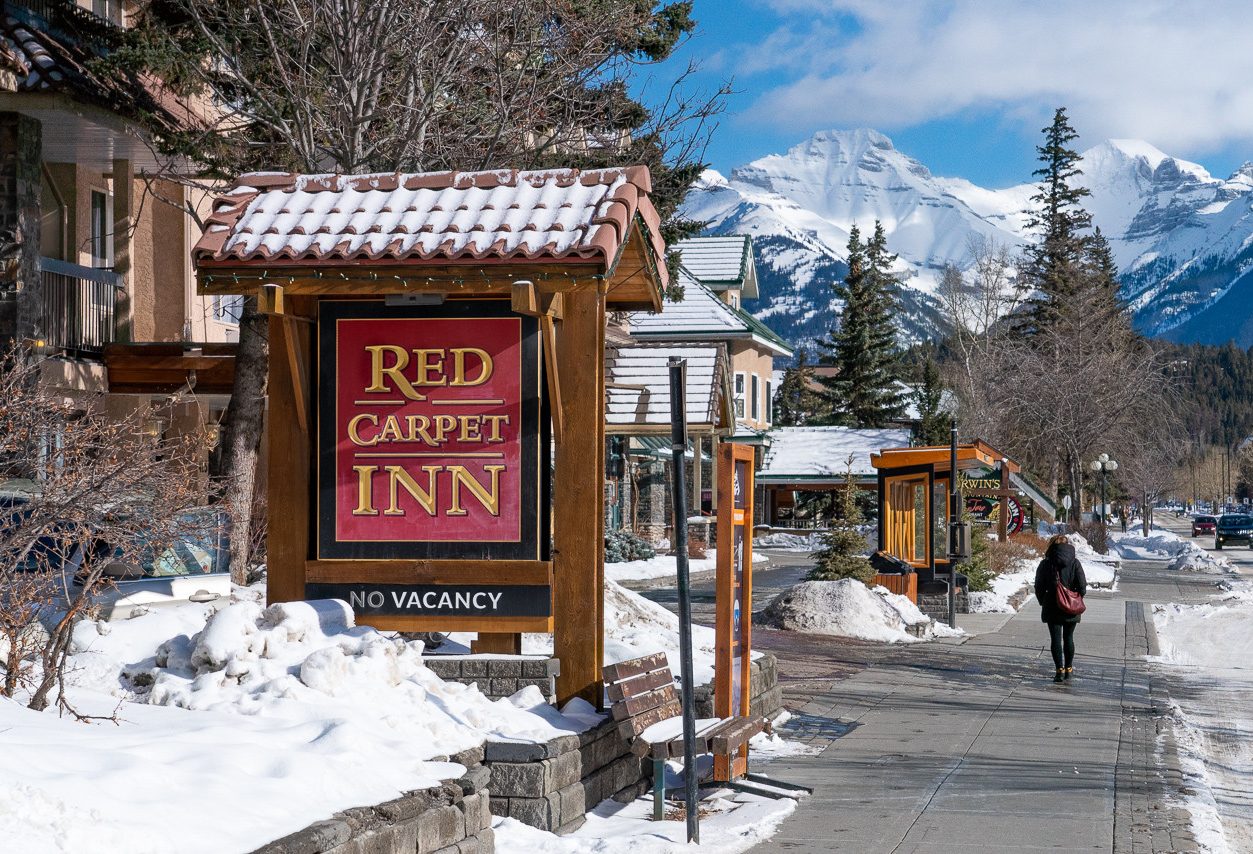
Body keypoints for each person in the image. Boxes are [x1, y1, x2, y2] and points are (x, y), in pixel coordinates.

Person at [1034, 534, 1087, 683]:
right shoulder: (1075, 563)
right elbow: (1082, 585)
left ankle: (1059, 671)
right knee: (1069, 638)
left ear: (1051, 546)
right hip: (1071, 607)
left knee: (1055, 639)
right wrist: (1076, 598)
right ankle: (1069, 669)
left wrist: (1043, 601)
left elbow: (1039, 586)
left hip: (1052, 605)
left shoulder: (1046, 563)